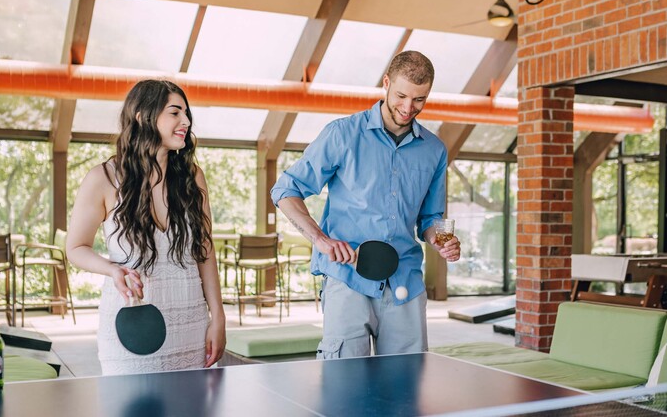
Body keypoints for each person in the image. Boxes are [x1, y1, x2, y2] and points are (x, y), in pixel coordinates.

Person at [271, 51, 461, 359]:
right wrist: (320, 239)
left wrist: (442, 240)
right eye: (401, 95)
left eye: (419, 100)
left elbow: (431, 217)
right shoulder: (342, 134)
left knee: (405, 391)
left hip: (405, 283)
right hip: (347, 279)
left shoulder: (435, 150)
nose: (408, 108)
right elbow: (285, 190)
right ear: (386, 83)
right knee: (344, 390)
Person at [66, 79, 225, 375]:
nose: (186, 121)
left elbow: (205, 250)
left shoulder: (193, 177)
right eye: (175, 113)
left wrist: (218, 317)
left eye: (186, 113)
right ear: (142, 116)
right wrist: (113, 269)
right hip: (131, 328)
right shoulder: (103, 178)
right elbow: (75, 248)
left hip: (191, 326)